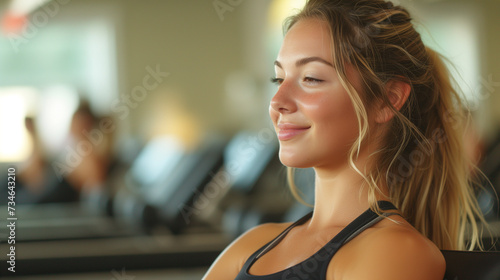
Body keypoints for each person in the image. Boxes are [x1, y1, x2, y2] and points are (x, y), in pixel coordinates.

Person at [203, 0, 487, 279]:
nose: (277, 102)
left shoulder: (393, 252)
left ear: (387, 100)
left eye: (311, 78)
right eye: (279, 79)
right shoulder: (255, 244)